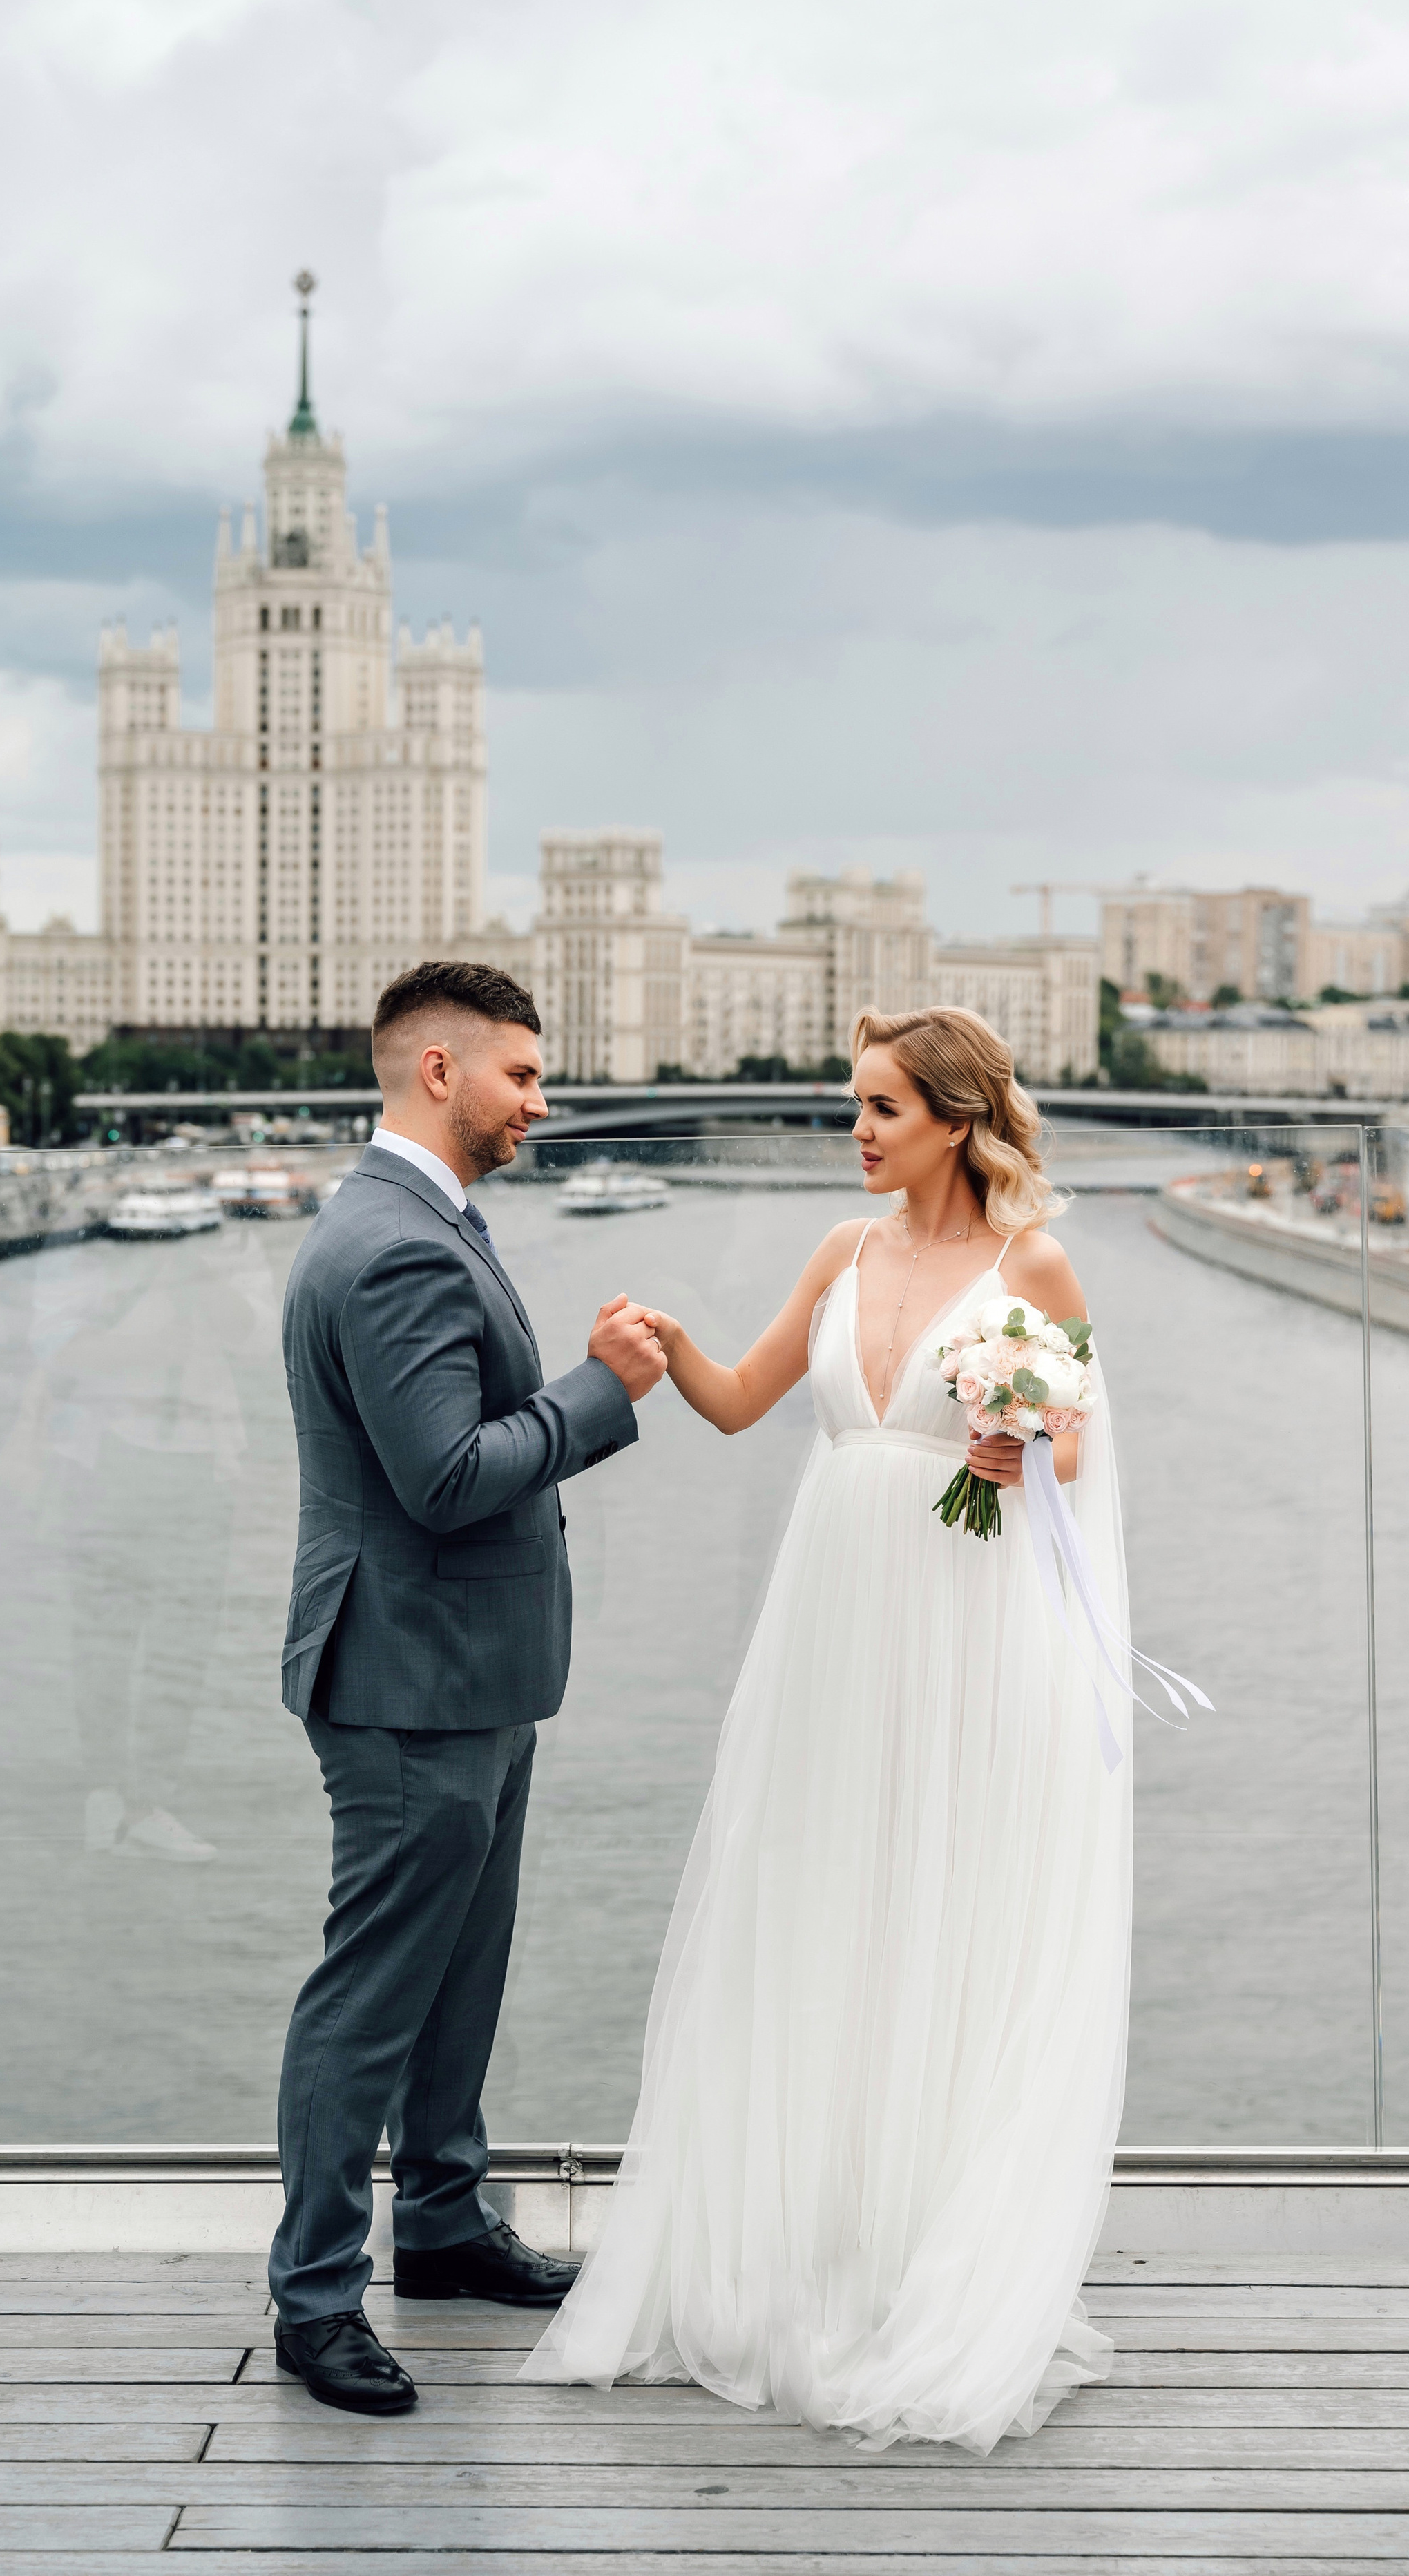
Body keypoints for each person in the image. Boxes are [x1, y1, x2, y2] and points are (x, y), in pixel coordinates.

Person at [525, 1004, 1133, 2452]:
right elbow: (741, 1405)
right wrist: (658, 1341)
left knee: (940, 1909)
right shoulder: (838, 1254)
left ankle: (918, 2256)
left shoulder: (1028, 1261)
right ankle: (816, 2241)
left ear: (953, 1118)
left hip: (963, 1625)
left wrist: (1025, 1436)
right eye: (849, 1107)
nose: (854, 1133)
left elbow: (1078, 1436)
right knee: (822, 1905)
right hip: (833, 1621)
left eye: (877, 1109)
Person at [269, 960, 668, 2416]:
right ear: (437, 1071)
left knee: (456, 1978)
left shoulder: (419, 1221)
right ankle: (316, 2300)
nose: (537, 1101)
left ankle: (437, 2224)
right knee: (369, 1998)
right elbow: (443, 1480)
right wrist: (598, 1386)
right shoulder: (395, 1248)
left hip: (463, 1668)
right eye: (519, 1074)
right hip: (408, 1676)